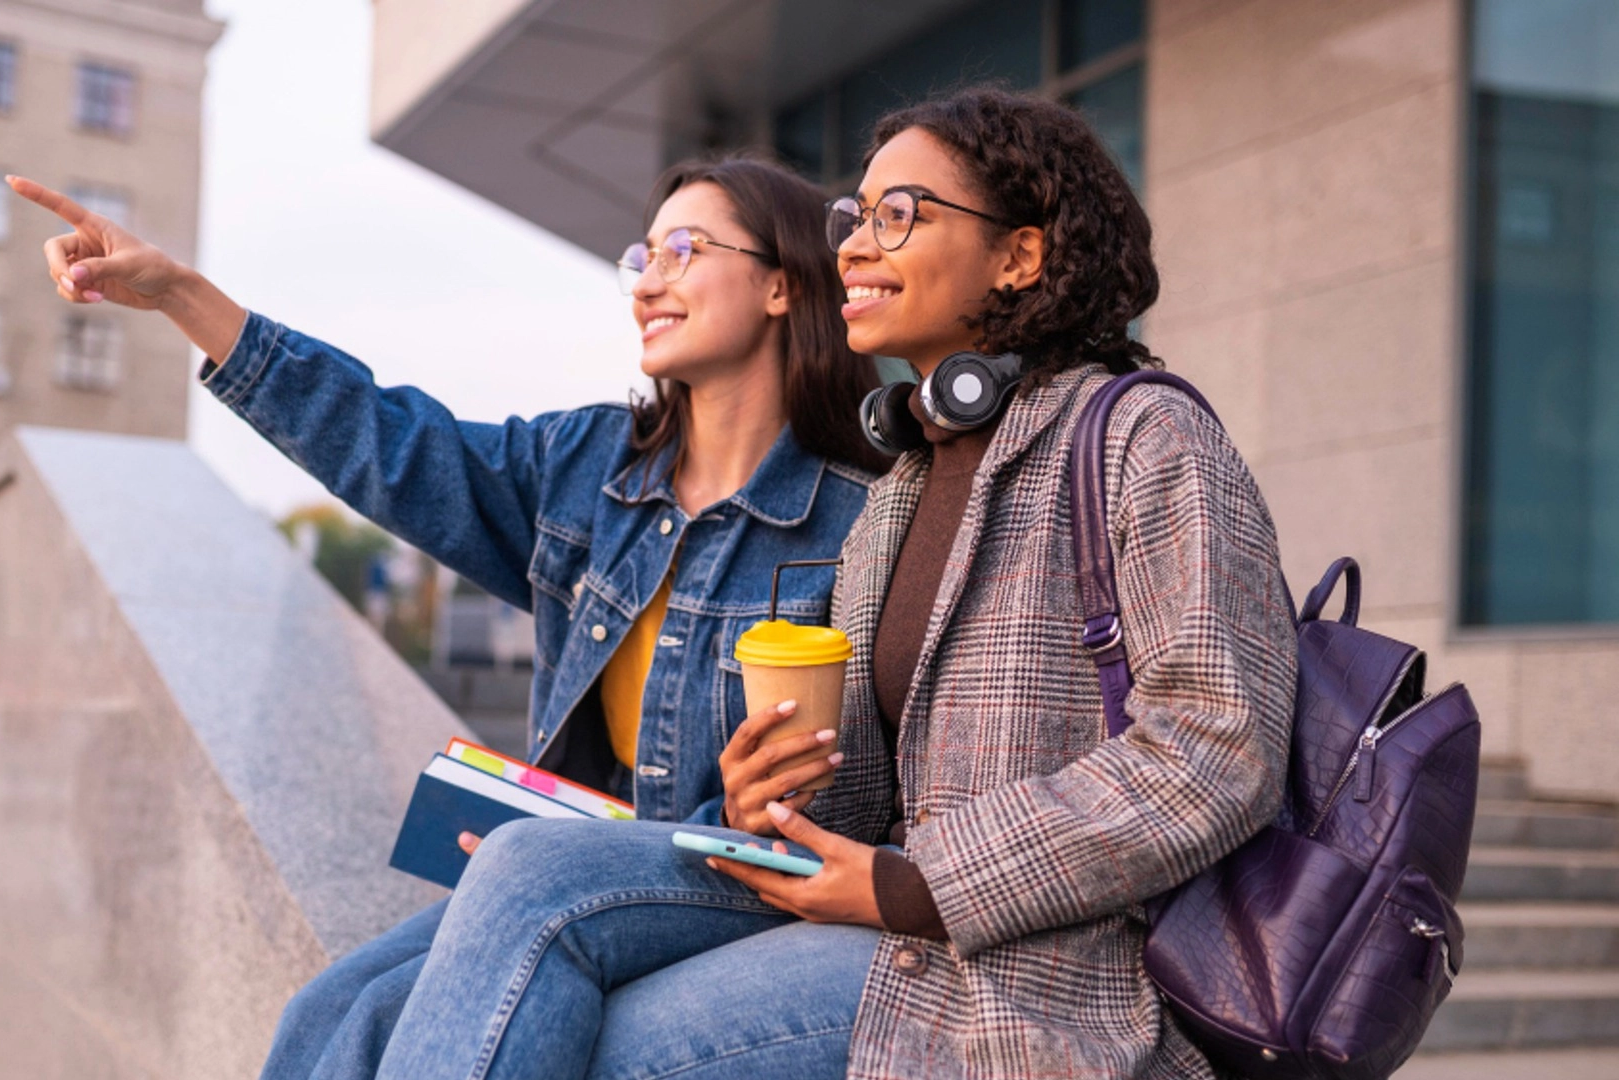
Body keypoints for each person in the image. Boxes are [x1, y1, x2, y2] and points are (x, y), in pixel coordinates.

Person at [372, 85, 1299, 1080]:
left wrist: (917, 885)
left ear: (1020, 255)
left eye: (899, 215)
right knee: (508, 879)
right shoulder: (906, 478)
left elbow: (1216, 751)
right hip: (879, 920)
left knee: (605, 1039)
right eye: (855, 216)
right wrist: (769, 788)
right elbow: (867, 793)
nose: (854, 245)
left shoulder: (1145, 437)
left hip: (1036, 975)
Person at [7, 157, 887, 1079]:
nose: (649, 280)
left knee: (452, 963)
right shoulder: (591, 466)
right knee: (333, 1008)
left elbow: (866, 786)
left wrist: (726, 813)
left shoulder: (856, 520)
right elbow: (393, 446)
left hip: (736, 869)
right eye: (643, 255)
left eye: (684, 248)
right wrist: (183, 294)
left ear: (783, 285)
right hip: (589, 854)